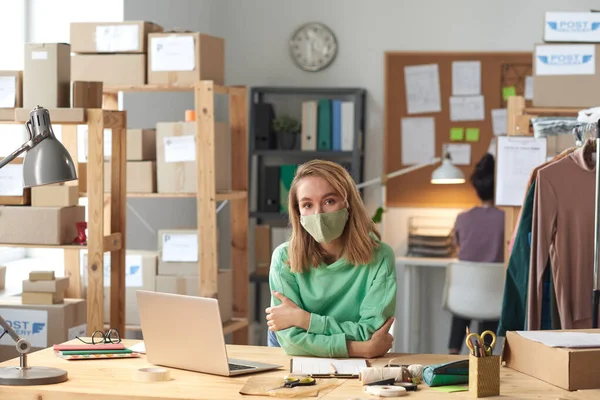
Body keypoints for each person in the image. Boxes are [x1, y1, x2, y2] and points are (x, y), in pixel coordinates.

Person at [265, 160, 397, 358]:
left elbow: (370, 331)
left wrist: (305, 320)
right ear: (298, 212)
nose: (318, 214)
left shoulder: (380, 257)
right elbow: (292, 342)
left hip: (349, 363)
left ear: (348, 204)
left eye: (329, 201)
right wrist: (358, 349)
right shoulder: (284, 257)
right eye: (307, 205)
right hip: (294, 357)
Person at [448, 153, 504, 355]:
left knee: (465, 301)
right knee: (489, 296)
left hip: (463, 300)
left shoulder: (462, 218)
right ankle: (484, 354)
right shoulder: (506, 219)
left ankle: (453, 353)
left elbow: (457, 245)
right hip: (493, 299)